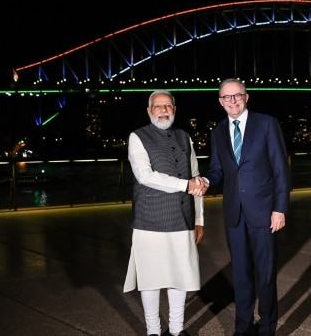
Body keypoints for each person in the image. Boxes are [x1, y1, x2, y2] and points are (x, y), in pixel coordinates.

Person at [203, 78, 291, 336]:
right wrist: (207, 180)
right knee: (240, 277)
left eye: (237, 95)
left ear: (246, 97)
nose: (232, 101)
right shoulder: (217, 132)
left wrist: (280, 208)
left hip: (265, 214)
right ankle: (242, 330)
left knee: (264, 276)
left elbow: (280, 170)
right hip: (234, 215)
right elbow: (218, 170)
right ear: (220, 101)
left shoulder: (266, 123)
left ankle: (266, 329)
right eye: (226, 97)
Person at [123, 89, 209, 336]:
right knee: (150, 279)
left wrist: (199, 219)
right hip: (149, 219)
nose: (163, 110)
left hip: (182, 219)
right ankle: (153, 331)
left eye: (168, 106)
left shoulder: (184, 137)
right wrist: (185, 185)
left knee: (179, 275)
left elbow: (195, 176)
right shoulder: (137, 137)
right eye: (158, 106)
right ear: (149, 111)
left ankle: (176, 329)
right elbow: (144, 176)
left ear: (175, 109)